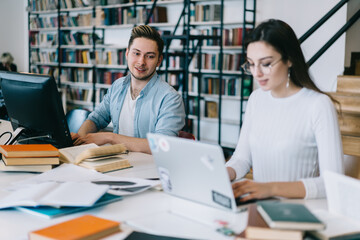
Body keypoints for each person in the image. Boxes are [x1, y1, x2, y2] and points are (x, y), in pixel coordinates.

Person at [226, 19, 344, 201]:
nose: (256, 73)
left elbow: (332, 183)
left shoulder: (318, 105)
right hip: (260, 207)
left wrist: (269, 189)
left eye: (265, 64)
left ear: (289, 59)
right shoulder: (256, 99)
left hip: (300, 212)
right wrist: (222, 173)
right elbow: (242, 159)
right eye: (251, 63)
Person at [72, 25, 185, 153]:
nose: (141, 62)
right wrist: (79, 141)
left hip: (148, 170)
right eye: (136, 53)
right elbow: (95, 119)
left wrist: (110, 137)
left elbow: (161, 145)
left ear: (159, 61)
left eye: (150, 56)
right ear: (127, 54)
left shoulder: (170, 98)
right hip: (118, 163)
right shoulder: (117, 86)